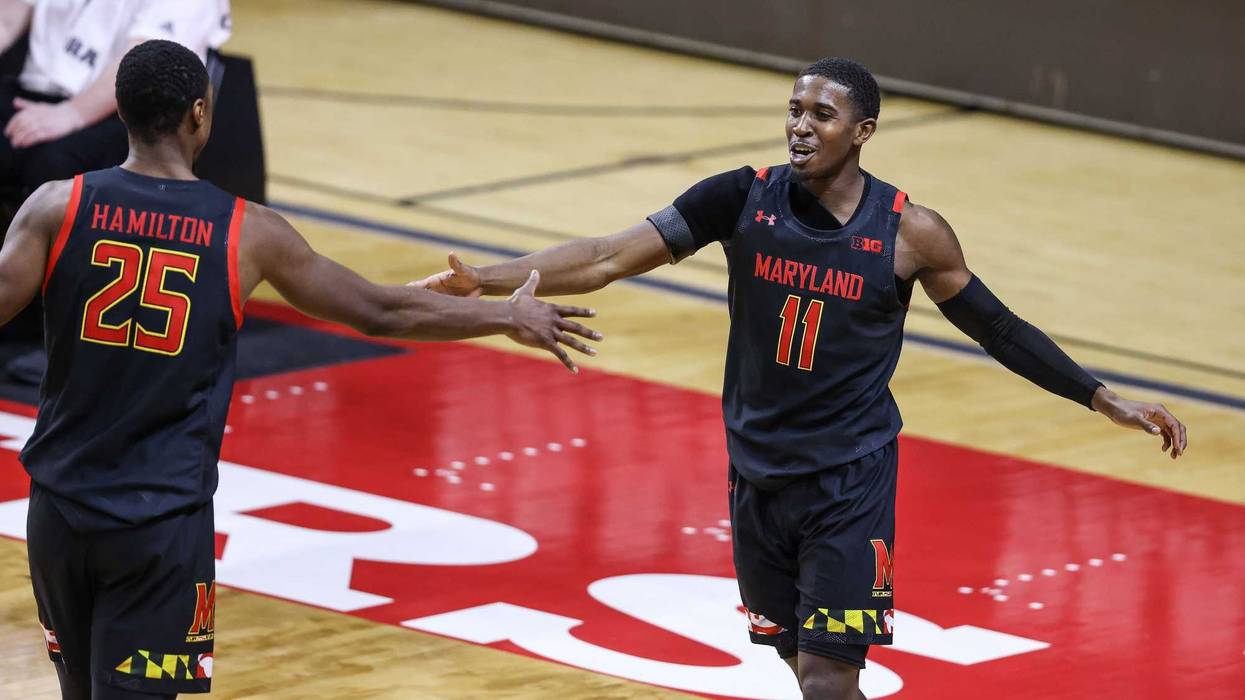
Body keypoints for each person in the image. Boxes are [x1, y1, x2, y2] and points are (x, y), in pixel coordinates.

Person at [424, 57, 1188, 700]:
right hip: (756, 472)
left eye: (821, 114)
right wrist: (487, 279)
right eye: (793, 109)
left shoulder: (909, 232)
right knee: (803, 667)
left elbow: (997, 328)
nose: (799, 124)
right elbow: (604, 257)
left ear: (861, 132)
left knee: (826, 675)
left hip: (849, 479)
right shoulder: (740, 197)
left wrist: (1102, 398)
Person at [0, 40, 600, 700]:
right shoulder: (245, 231)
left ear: (118, 112)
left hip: (57, 512)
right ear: (200, 114)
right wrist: (505, 316)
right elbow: (379, 313)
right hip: (158, 524)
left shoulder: (58, 206)